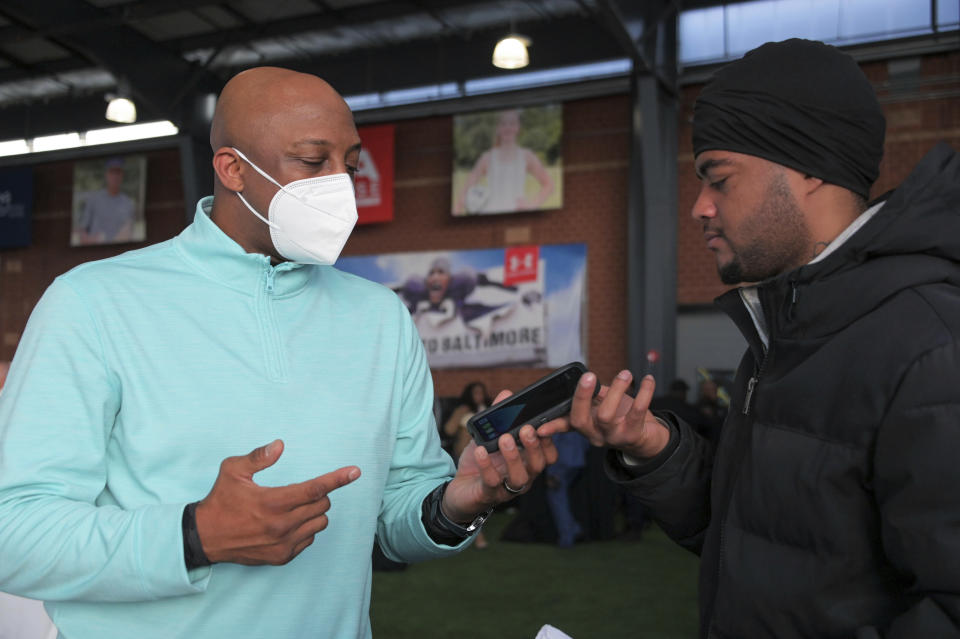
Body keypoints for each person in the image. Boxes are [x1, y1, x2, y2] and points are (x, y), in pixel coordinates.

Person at [0, 67, 558, 639]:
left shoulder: (380, 317)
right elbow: (12, 532)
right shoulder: (93, 302)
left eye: (351, 164)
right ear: (232, 168)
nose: (340, 183)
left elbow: (397, 516)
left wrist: (457, 504)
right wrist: (193, 537)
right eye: (314, 161)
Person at [539, 39, 960, 637]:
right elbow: (759, 538)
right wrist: (652, 446)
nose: (699, 208)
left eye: (720, 179)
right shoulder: (788, 332)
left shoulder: (930, 346)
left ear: (809, 168)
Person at [453, 108, 555, 215]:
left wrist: (532, 205)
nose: (508, 127)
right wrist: (458, 208)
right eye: (503, 123)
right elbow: (466, 189)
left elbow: (548, 185)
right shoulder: (487, 158)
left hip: (518, 218)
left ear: (518, 127)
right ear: (498, 127)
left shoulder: (526, 156)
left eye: (512, 123)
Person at [442, 381, 492, 548]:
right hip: (464, 460)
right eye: (475, 392)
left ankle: (467, 531)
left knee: (482, 499)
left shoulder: (488, 409)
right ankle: (477, 536)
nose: (479, 396)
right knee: (471, 498)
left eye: (481, 392)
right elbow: (448, 430)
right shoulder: (463, 411)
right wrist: (459, 418)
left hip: (486, 459)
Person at [75, 157, 137, 244]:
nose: (115, 176)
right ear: (106, 174)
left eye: (118, 172)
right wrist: (93, 240)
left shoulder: (128, 203)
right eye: (112, 172)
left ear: (122, 175)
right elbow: (82, 232)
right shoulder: (93, 200)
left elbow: (129, 234)